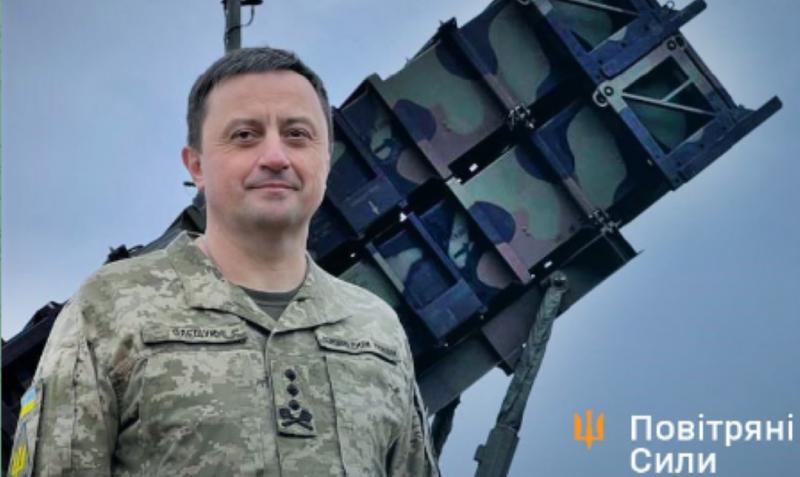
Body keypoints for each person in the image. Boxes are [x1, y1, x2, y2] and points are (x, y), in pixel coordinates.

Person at [7, 47, 439, 477]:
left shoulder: (376, 331)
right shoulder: (109, 310)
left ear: (325, 159)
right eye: (245, 135)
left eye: (297, 134)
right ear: (196, 165)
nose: (275, 157)